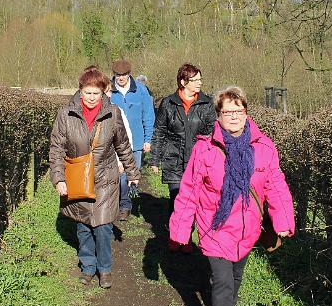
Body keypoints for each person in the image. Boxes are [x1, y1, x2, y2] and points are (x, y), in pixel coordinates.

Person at [169, 86, 295, 306]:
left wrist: (283, 221)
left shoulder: (264, 147)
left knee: (235, 278)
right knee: (224, 283)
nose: (234, 116)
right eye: (228, 111)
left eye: (238, 110)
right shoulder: (205, 149)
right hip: (214, 228)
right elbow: (189, 191)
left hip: (247, 230)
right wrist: (181, 231)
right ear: (219, 115)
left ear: (246, 112)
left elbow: (275, 184)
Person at [49, 66, 138, 289]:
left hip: (105, 178)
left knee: (103, 226)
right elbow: (56, 148)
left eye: (96, 93)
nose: (91, 98)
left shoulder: (113, 113)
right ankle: (88, 267)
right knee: (83, 226)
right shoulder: (65, 114)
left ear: (103, 92)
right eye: (87, 93)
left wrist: (132, 173)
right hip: (77, 178)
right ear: (80, 91)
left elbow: (123, 146)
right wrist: (59, 178)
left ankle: (104, 269)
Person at [151, 63, 216, 241]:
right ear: (182, 81)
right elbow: (159, 131)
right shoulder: (168, 103)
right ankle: (175, 234)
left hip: (197, 160)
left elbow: (212, 133)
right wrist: (155, 160)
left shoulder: (207, 103)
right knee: (177, 197)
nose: (199, 83)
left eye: (200, 79)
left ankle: (186, 236)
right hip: (173, 158)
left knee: (193, 200)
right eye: (194, 80)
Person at [109, 59, 155, 221]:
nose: (121, 78)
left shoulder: (141, 91)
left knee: (130, 174)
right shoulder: (108, 91)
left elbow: (148, 115)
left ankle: (125, 205)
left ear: (129, 74)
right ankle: (119, 204)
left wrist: (148, 138)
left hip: (135, 141)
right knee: (117, 173)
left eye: (124, 75)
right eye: (118, 75)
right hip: (113, 142)